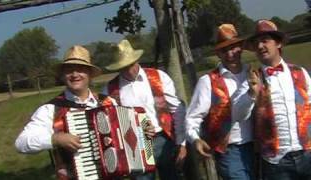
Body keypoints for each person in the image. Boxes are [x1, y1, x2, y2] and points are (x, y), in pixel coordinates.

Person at [15, 45, 155, 179]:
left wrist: (144, 132)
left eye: (80, 69)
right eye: (69, 70)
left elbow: (129, 134)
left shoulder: (108, 102)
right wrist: (55, 139)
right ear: (63, 75)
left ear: (89, 74)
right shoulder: (50, 109)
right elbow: (21, 143)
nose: (75, 74)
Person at [235, 19, 311, 180]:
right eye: (256, 43)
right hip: (276, 161)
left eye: (265, 41)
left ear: (278, 44)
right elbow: (238, 115)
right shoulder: (252, 79)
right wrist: (252, 93)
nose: (260, 46)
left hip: (307, 153)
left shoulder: (300, 72)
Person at [102, 39, 187, 180]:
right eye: (123, 67)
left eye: (131, 64)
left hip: (164, 139)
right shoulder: (110, 90)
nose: (129, 70)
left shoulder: (158, 77)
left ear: (137, 60)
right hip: (134, 147)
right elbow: (109, 125)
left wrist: (181, 143)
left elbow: (177, 110)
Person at [185, 24, 254, 180]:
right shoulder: (207, 81)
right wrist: (195, 138)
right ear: (218, 53)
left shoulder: (253, 73)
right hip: (230, 150)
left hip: (259, 146)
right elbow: (193, 117)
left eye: (234, 47)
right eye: (224, 50)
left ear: (241, 47)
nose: (230, 53)